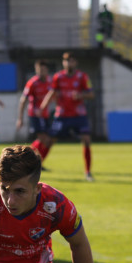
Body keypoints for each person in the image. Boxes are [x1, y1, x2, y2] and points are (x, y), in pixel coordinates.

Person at [39, 53, 95, 181]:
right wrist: (43, 107)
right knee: (49, 141)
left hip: (79, 115)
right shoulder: (58, 77)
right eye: (66, 61)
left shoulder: (82, 77)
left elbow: (91, 94)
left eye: (71, 61)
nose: (68, 63)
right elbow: (52, 92)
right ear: (63, 63)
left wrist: (81, 95)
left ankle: (88, 172)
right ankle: (36, 167)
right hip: (62, 115)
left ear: (75, 63)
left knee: (86, 140)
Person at [16, 60, 53, 165]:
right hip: (35, 114)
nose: (41, 72)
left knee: (48, 141)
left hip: (45, 114)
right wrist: (20, 118)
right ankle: (25, 155)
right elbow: (23, 100)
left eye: (43, 70)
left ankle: (37, 162)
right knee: (44, 139)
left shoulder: (50, 82)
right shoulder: (32, 83)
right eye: (39, 70)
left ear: (47, 70)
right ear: (36, 70)